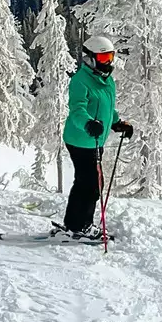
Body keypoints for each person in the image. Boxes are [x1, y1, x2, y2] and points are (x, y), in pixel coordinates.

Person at [62, 33, 134, 235]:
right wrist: (88, 124)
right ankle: (78, 226)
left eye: (110, 57)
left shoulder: (107, 81)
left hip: (95, 139)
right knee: (90, 184)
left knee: (91, 183)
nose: (108, 62)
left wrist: (117, 123)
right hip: (80, 140)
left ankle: (79, 224)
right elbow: (77, 110)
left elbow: (108, 107)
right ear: (90, 59)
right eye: (103, 58)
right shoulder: (80, 81)